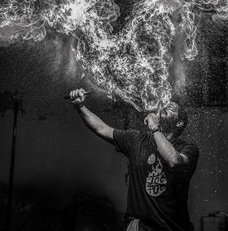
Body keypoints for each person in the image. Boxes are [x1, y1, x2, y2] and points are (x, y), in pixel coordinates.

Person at [69, 89, 199, 231]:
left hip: (172, 227)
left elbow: (174, 161)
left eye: (171, 108)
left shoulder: (188, 149)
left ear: (179, 123)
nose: (165, 106)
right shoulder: (137, 140)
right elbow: (101, 128)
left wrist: (155, 128)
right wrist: (79, 106)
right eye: (165, 104)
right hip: (141, 227)